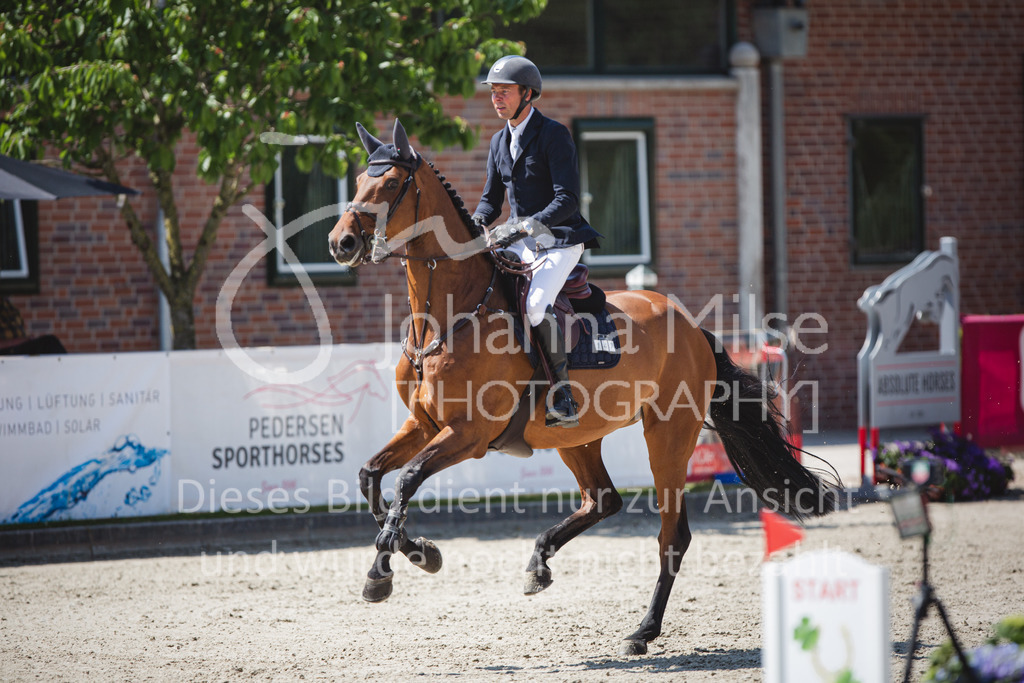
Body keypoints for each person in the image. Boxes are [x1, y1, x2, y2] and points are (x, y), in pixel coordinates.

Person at [472, 55, 601, 428]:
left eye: (504, 92)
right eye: (493, 92)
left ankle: (563, 395)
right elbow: (490, 200)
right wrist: (474, 224)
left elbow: (567, 199)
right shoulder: (499, 141)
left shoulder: (553, 135)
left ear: (527, 94)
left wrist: (528, 225)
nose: (496, 98)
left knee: (535, 305)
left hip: (558, 237)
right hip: (519, 238)